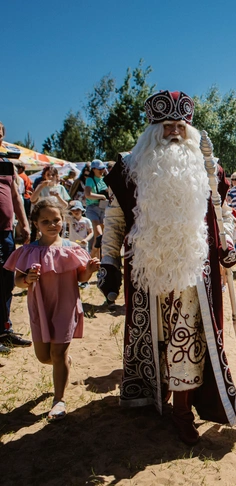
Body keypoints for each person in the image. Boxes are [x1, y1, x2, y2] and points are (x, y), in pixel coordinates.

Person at [98, 90, 236, 443]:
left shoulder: (209, 168)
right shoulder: (128, 166)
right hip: (146, 270)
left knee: (187, 342)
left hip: (193, 269)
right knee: (154, 338)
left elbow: (223, 214)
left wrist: (227, 240)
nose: (175, 132)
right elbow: (115, 218)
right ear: (152, 130)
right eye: (167, 127)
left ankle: (182, 412)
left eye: (180, 126)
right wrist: (109, 260)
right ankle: (154, 398)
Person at [4, 198, 99, 419]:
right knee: (43, 356)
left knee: (58, 352)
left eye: (56, 220)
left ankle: (59, 400)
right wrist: (27, 278)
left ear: (62, 221)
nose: (52, 224)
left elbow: (81, 276)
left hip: (66, 306)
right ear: (36, 223)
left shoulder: (72, 249)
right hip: (39, 308)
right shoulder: (27, 251)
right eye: (45, 221)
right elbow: (17, 281)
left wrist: (90, 270)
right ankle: (64, 363)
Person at [1, 120, 32, 354]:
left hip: (6, 233)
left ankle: (4, 329)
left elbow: (16, 197)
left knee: (6, 281)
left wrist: (24, 223)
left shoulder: (7, 166)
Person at [83, 160, 109, 259]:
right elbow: (87, 194)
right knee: (99, 234)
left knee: (100, 238)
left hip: (103, 208)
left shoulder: (104, 179)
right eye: (100, 169)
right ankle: (92, 258)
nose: (102, 170)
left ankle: (96, 259)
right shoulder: (90, 180)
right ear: (93, 169)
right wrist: (101, 196)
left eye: (103, 168)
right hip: (92, 209)